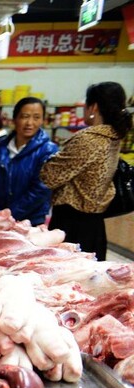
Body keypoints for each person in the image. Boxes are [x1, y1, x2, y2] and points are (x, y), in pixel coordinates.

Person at [41, 82, 133, 259]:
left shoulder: (89, 139)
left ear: (94, 107)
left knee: (64, 280)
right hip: (94, 224)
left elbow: (49, 176)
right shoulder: (114, 136)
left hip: (72, 225)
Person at [0, 97, 58, 225]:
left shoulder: (48, 150)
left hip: (29, 222)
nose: (30, 123)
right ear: (14, 119)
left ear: (43, 120)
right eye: (25, 116)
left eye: (36, 117)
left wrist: (6, 216)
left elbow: (40, 191)